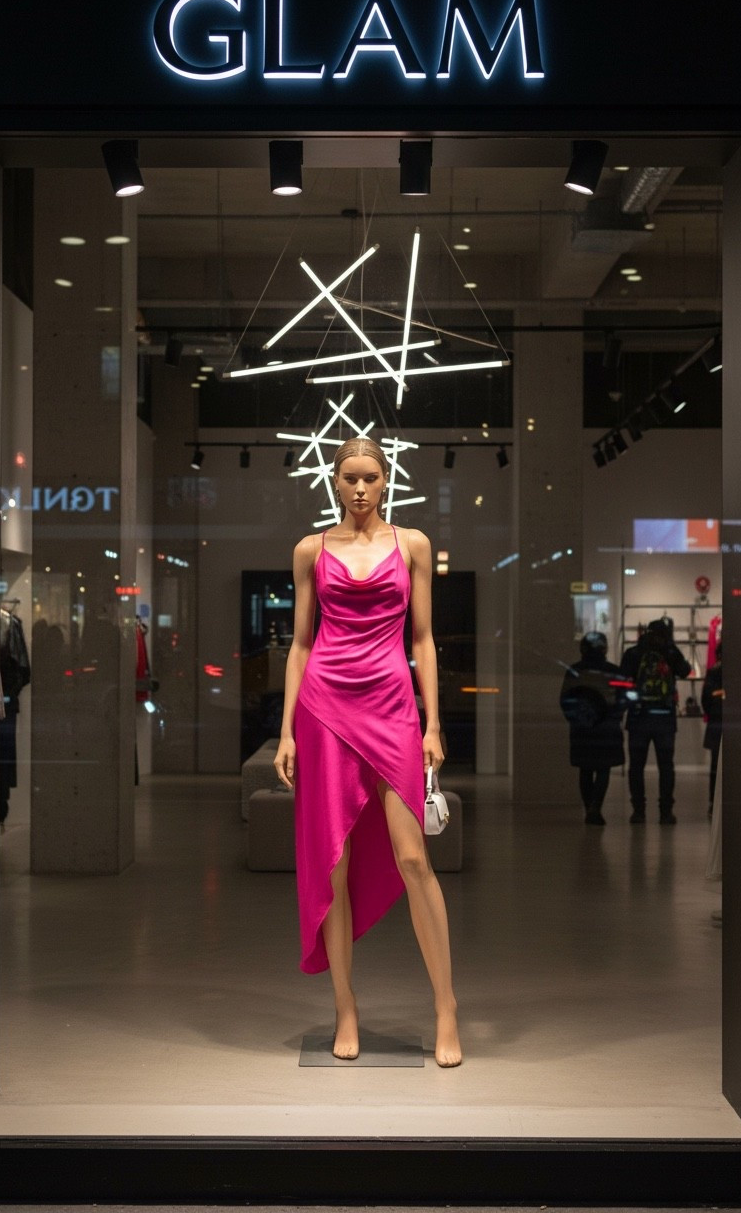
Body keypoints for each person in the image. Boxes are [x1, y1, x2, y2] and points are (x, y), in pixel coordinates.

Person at [274, 437, 461, 1068]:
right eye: (349, 477)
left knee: (414, 859)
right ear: (333, 480)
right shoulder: (311, 550)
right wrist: (287, 731)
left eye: (370, 477)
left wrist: (433, 723)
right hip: (324, 708)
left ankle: (446, 1009)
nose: (359, 488)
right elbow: (300, 645)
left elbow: (426, 638)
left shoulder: (412, 545)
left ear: (386, 481)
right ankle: (345, 1007)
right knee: (334, 865)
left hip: (391, 707)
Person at [620, 618, 691, 825]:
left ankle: (638, 811)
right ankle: (666, 812)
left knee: (636, 766)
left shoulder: (634, 652)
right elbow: (686, 671)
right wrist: (671, 649)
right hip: (664, 718)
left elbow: (622, 679)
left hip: (638, 717)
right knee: (666, 767)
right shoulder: (669, 652)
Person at [559, 631, 625, 825]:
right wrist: (614, 717)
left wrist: (576, 719)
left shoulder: (574, 670)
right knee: (603, 769)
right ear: (604, 649)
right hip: (607, 728)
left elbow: (565, 700)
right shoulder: (613, 670)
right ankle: (595, 807)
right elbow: (622, 699)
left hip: (582, 726)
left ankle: (590, 808)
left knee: (585, 769)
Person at [701, 641, 723, 819]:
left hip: (717, 720)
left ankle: (712, 804)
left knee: (716, 765)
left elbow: (705, 699)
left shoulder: (713, 671)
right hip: (740, 722)